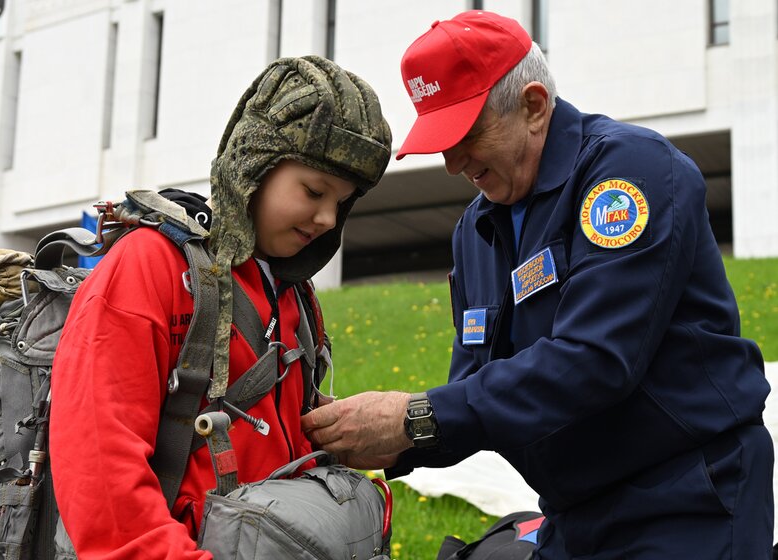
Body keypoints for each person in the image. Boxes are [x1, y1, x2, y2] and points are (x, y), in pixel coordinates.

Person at [301, 10, 774, 559]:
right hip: (572, 515)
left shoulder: (629, 174)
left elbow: (595, 360)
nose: (454, 164)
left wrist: (411, 417)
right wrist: (357, 437)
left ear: (533, 105)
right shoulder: (474, 232)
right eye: (440, 141)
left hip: (685, 499)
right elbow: (476, 391)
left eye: (466, 135)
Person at [50, 55, 391, 559]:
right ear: (255, 162)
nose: (325, 217)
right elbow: (100, 465)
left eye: (341, 202)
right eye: (314, 191)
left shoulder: (291, 291)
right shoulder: (150, 266)